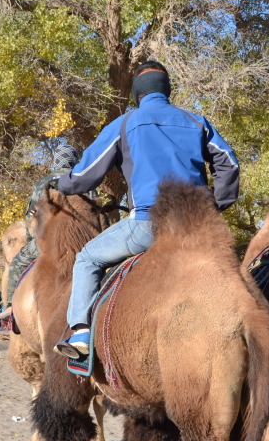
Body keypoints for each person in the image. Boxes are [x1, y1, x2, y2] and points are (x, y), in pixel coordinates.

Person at [53, 60, 239, 359]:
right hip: (198, 227)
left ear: (137, 94)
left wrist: (61, 182)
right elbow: (229, 164)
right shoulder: (197, 122)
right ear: (167, 90)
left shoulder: (125, 123)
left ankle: (81, 334)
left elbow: (86, 174)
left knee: (86, 258)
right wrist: (216, 206)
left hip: (147, 226)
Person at [0, 144, 81, 320]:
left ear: (56, 160)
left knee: (18, 263)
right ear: (74, 160)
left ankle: (11, 307)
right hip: (79, 242)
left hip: (47, 240)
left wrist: (31, 239)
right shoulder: (84, 181)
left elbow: (32, 216)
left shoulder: (43, 184)